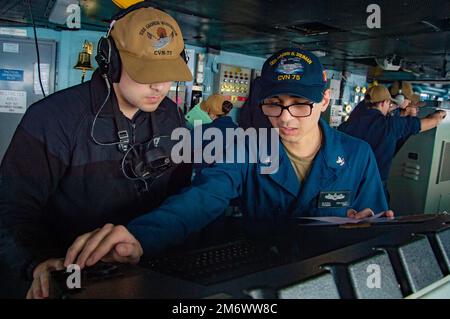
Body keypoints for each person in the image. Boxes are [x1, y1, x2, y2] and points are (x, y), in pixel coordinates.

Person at [63, 48, 393, 271]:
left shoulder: (356, 155)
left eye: (300, 103)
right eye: (274, 103)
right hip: (264, 278)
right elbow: (205, 197)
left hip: (330, 276)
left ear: (324, 99)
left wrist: (370, 226)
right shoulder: (248, 147)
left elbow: (372, 223)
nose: (285, 118)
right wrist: (140, 237)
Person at [0, 3, 193, 299]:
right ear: (111, 61)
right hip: (71, 277)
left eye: (168, 72)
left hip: (147, 273)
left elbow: (182, 198)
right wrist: (38, 262)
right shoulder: (52, 119)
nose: (160, 85)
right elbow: (9, 211)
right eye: (146, 71)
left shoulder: (172, 117)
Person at [338, 85, 446, 201]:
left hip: (345, 182)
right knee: (375, 217)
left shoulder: (345, 126)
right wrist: (441, 114)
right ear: (385, 102)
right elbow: (432, 122)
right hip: (373, 187)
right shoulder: (390, 125)